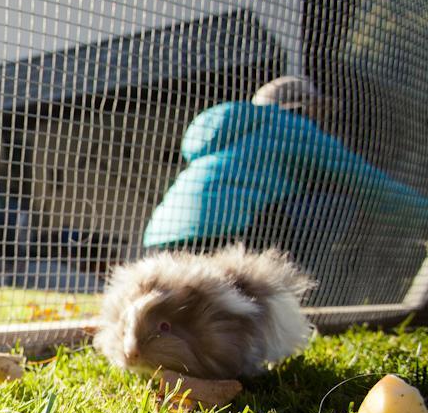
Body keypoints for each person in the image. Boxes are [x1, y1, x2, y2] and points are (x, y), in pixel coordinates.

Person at [143, 75, 428, 303]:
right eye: (317, 111)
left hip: (159, 243)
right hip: (227, 240)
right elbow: (369, 186)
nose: (321, 121)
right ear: (298, 107)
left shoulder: (230, 133)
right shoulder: (291, 129)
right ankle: (310, 299)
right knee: (332, 203)